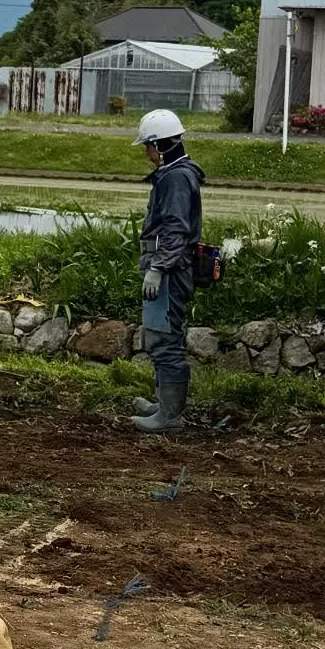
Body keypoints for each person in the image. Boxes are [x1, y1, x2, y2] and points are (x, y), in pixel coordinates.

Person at [130, 108, 204, 434]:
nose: (146, 153)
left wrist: (158, 268)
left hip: (170, 269)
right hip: (170, 266)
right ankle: (164, 404)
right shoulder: (177, 173)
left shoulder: (175, 178)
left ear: (162, 145)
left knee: (164, 338)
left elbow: (175, 230)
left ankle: (170, 417)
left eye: (148, 146)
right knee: (161, 335)